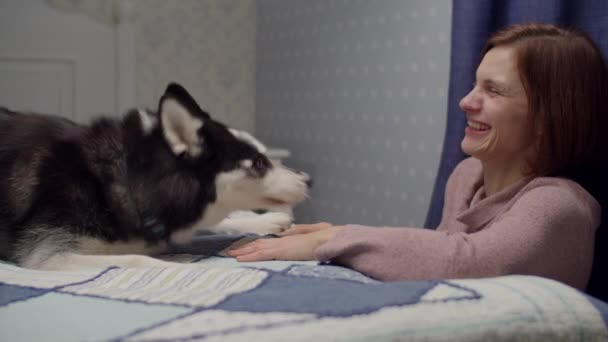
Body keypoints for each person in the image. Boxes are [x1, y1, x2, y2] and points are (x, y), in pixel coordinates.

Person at [227, 23, 608, 291]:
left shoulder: (559, 204)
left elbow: (467, 263)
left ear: (548, 117)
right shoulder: (467, 175)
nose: (466, 102)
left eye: (493, 91)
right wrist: (332, 237)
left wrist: (336, 240)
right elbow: (437, 259)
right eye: (474, 84)